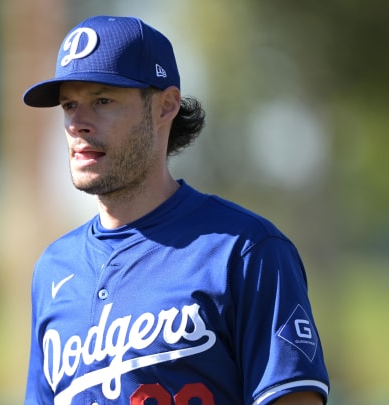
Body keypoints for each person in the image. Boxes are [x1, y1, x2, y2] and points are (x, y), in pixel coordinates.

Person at [22, 15, 330, 405]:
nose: (77, 124)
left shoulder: (244, 250)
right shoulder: (54, 268)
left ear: (165, 106)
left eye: (102, 100)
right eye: (69, 104)